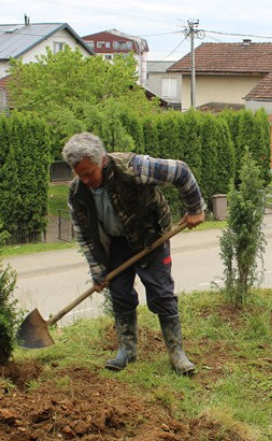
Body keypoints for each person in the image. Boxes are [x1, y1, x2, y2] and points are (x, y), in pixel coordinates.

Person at [61, 132, 205, 376]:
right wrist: (98, 271)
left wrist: (194, 209)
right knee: (119, 294)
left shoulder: (133, 168)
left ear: (102, 161)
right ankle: (127, 351)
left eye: (89, 173)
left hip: (151, 237)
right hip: (117, 243)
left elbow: (180, 171)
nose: (85, 180)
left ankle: (177, 353)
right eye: (79, 174)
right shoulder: (78, 193)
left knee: (161, 293)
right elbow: (84, 234)